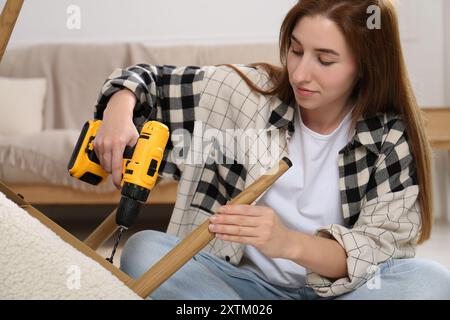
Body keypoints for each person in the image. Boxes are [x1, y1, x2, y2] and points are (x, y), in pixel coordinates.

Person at [93, 0, 450, 299]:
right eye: (296, 51)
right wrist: (119, 108)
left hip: (341, 293)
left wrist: (288, 243)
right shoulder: (244, 93)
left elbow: (376, 252)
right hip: (239, 288)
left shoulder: (388, 137)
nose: (300, 74)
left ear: (365, 67)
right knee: (144, 251)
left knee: (430, 281)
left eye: (324, 60)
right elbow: (147, 80)